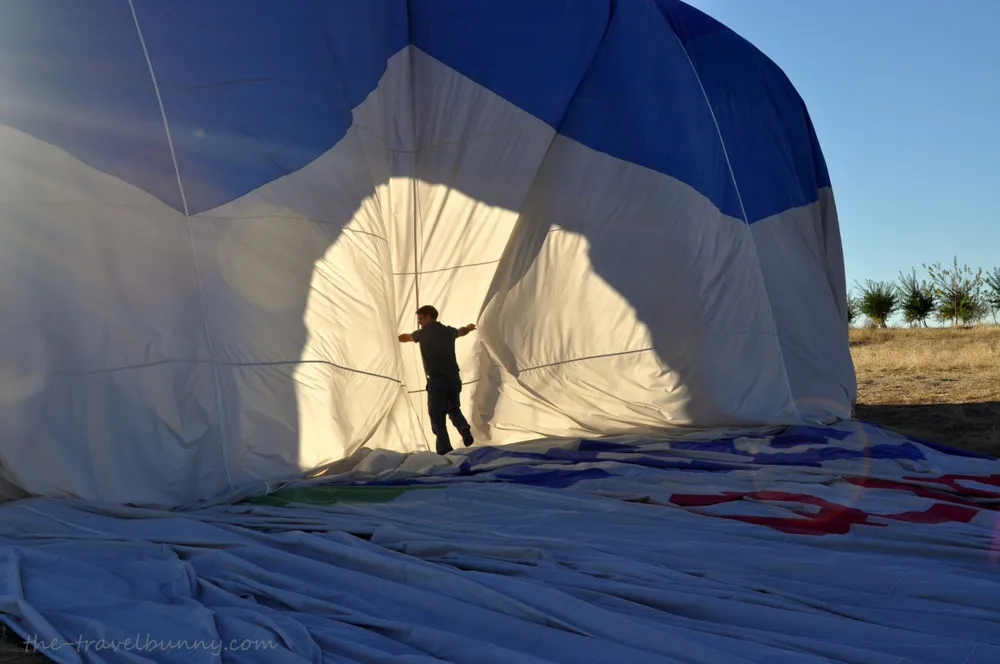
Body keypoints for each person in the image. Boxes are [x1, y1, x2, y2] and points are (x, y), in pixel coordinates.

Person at [398, 305, 477, 454]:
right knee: (454, 409)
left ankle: (445, 449)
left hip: (437, 381)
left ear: (429, 316)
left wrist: (391, 337)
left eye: (421, 319)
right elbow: (461, 331)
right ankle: (464, 428)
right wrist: (469, 327)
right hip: (454, 378)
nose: (419, 322)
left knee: (437, 416)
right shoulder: (448, 331)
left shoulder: (423, 333)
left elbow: (406, 338)